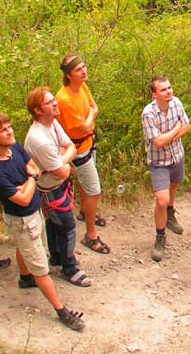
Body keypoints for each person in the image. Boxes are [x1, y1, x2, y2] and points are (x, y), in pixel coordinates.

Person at [0, 112, 86, 331]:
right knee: (41, 265)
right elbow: (23, 196)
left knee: (26, 247)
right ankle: (62, 311)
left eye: (9, 127)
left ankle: (25, 278)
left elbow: (35, 167)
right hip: (21, 220)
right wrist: (31, 178)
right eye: (3, 130)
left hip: (34, 212)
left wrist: (31, 178)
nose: (10, 131)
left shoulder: (15, 148)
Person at [24, 86, 92, 288]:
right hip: (49, 189)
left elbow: (71, 145)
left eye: (54, 99)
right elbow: (63, 171)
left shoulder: (52, 123)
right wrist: (63, 163)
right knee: (67, 225)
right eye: (49, 102)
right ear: (38, 110)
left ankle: (56, 256)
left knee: (55, 224)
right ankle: (69, 268)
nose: (55, 103)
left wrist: (60, 160)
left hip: (54, 185)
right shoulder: (39, 139)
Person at [56, 54, 110, 255]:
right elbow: (86, 123)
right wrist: (89, 117)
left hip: (88, 143)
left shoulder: (81, 86)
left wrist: (89, 117)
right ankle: (90, 235)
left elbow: (94, 109)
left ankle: (84, 212)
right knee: (94, 190)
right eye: (79, 70)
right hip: (77, 150)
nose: (84, 71)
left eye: (84, 67)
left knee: (85, 183)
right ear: (69, 75)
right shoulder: (64, 99)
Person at [141, 76, 191, 262]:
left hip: (177, 156)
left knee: (174, 185)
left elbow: (187, 126)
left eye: (169, 87)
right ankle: (160, 236)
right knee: (161, 200)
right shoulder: (149, 114)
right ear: (155, 94)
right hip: (159, 162)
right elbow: (158, 142)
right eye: (163, 90)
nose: (169, 91)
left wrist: (172, 134)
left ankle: (170, 214)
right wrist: (176, 129)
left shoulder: (177, 103)